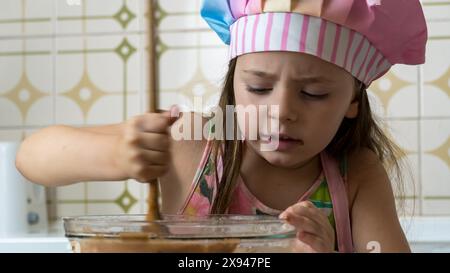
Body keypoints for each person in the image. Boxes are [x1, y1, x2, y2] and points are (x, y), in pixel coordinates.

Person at [16, 0, 427, 252]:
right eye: (259, 87)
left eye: (314, 93)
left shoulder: (354, 173)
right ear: (234, 83)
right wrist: (115, 153)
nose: (280, 111)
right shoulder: (195, 139)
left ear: (353, 101)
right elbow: (32, 156)